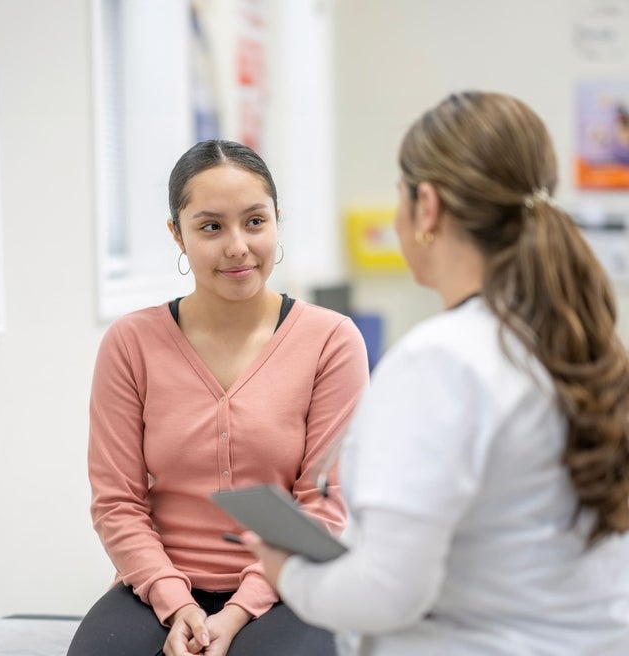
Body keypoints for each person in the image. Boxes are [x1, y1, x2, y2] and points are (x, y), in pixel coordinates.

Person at [243, 91, 629, 655]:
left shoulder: (443, 361)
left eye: (400, 195)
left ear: (427, 207)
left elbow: (388, 592)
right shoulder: (567, 340)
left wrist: (287, 573)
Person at [66, 139, 370, 656]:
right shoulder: (131, 343)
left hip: (287, 585)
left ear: (277, 220)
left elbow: (323, 504)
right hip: (157, 584)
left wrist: (238, 609)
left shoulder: (332, 340)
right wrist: (175, 601)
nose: (237, 246)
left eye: (255, 221)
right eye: (211, 227)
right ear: (177, 235)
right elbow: (116, 502)